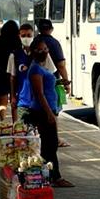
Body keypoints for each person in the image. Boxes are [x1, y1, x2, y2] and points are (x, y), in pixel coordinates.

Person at [24, 40, 74, 188]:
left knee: (50, 145)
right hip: (42, 111)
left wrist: (60, 83)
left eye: (45, 49)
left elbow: (46, 86)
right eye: (40, 50)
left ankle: (49, 175)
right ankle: (54, 177)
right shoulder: (35, 70)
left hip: (48, 110)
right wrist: (49, 114)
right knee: (49, 145)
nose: (44, 52)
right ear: (33, 52)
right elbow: (39, 94)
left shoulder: (41, 67)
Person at [6, 24, 57, 122]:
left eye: (29, 35)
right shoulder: (15, 55)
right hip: (23, 101)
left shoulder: (43, 54)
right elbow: (13, 77)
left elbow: (51, 74)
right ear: (19, 36)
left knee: (40, 133)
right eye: (23, 35)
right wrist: (12, 96)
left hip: (41, 103)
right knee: (23, 131)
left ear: (33, 35)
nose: (26, 38)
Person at [34, 18, 71, 147]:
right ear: (51, 29)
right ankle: (54, 138)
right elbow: (61, 65)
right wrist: (66, 83)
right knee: (53, 111)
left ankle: (39, 136)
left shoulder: (35, 41)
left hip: (34, 80)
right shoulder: (54, 43)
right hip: (51, 82)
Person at [0, 21, 21, 121]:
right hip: (14, 75)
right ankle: (15, 123)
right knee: (14, 101)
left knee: (2, 101)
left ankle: (3, 122)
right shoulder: (18, 42)